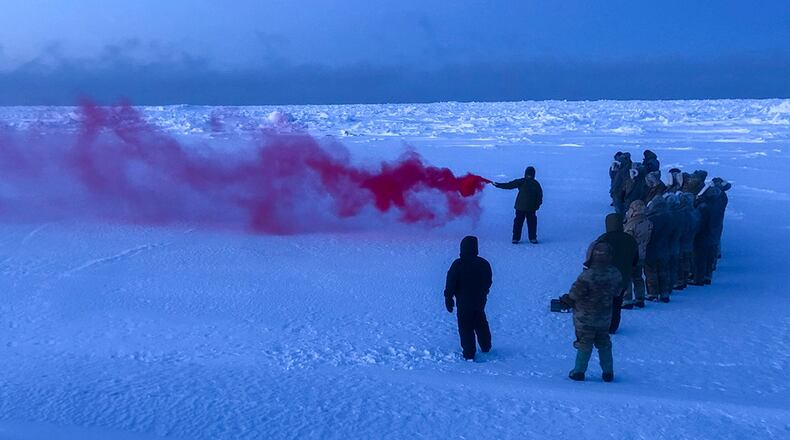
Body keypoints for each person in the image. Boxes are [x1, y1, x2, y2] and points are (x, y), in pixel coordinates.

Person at [560, 243, 622, 382]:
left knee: (584, 343)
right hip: (605, 317)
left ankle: (578, 371)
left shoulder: (587, 275)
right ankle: (608, 372)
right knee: (604, 343)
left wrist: (566, 299)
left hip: (585, 318)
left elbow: (575, 294)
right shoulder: (615, 273)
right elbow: (618, 292)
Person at [444, 236, 493, 361]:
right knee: (480, 321)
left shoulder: (458, 264)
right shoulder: (483, 263)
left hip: (463, 302)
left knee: (465, 327)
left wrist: (448, 297)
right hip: (480, 300)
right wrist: (484, 292)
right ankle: (486, 345)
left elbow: (451, 282)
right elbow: (488, 280)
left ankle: (469, 352)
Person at [591, 213, 639, 334]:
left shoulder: (603, 239)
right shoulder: (630, 240)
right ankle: (613, 326)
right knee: (617, 302)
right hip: (622, 277)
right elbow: (635, 259)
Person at [493, 166, 543, 244]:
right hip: (520, 208)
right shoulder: (522, 181)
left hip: (531, 208)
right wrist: (499, 185)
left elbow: (539, 196)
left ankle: (532, 238)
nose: (529, 176)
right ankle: (516, 238)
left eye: (530, 174)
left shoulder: (535, 184)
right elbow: (509, 185)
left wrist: (537, 205)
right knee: (518, 223)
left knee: (531, 224)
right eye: (528, 174)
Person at [623, 200, 653, 309]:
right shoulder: (648, 222)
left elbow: (627, 240)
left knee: (627, 277)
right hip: (642, 253)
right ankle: (640, 298)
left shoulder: (632, 224)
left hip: (631, 255)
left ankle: (627, 299)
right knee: (638, 277)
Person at [645, 196, 672, 302]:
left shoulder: (651, 218)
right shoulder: (670, 217)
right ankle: (665, 293)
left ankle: (653, 293)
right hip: (665, 249)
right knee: (664, 271)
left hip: (651, 249)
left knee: (651, 272)